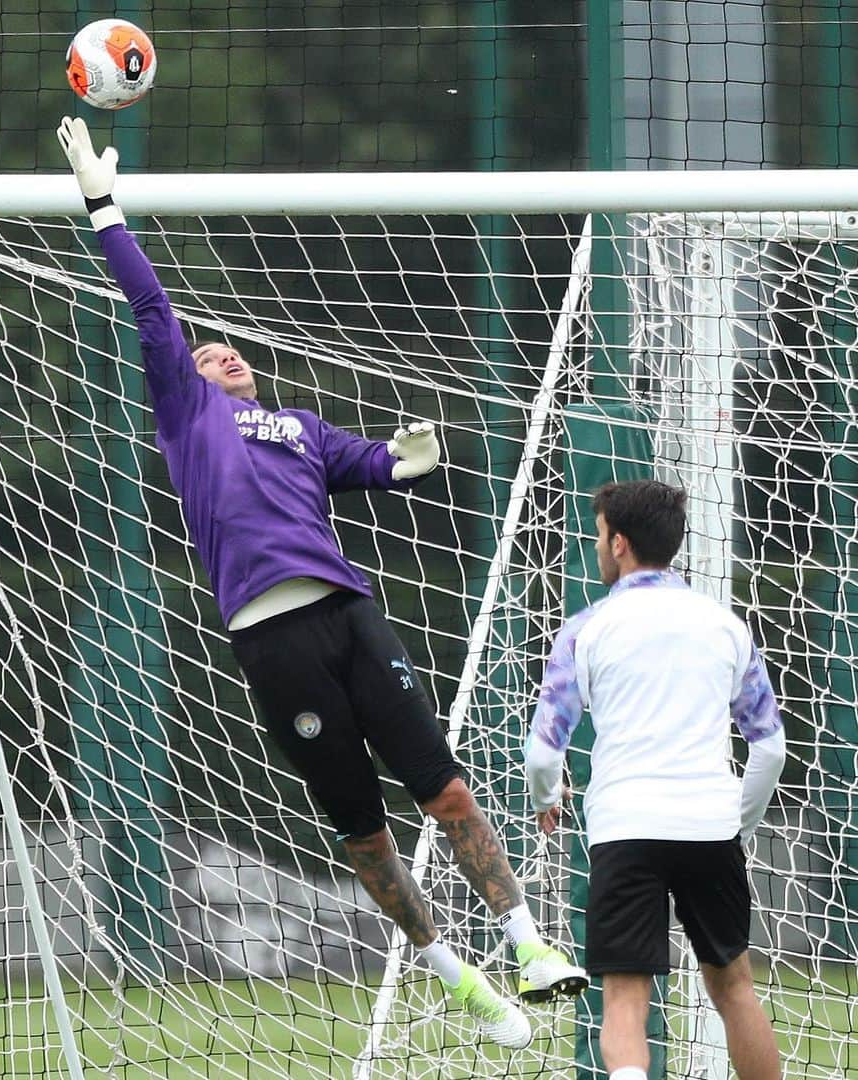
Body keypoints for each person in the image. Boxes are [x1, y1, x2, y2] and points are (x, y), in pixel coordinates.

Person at [58, 115, 586, 1049]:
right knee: (365, 833)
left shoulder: (300, 429)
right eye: (208, 352)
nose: (221, 354)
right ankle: (455, 978)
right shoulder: (188, 420)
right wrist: (105, 209)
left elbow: (381, 464)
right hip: (272, 642)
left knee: (448, 792)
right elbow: (152, 311)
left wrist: (412, 456)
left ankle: (529, 944)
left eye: (231, 350)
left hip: (348, 617)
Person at [526, 479, 786, 1080]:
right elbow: (769, 749)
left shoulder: (586, 628)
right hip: (709, 829)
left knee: (623, 998)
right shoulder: (726, 626)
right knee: (735, 987)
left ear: (618, 543)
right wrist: (733, 818)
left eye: (596, 535)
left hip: (625, 828)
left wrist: (546, 800)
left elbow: (544, 753)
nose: (596, 547)